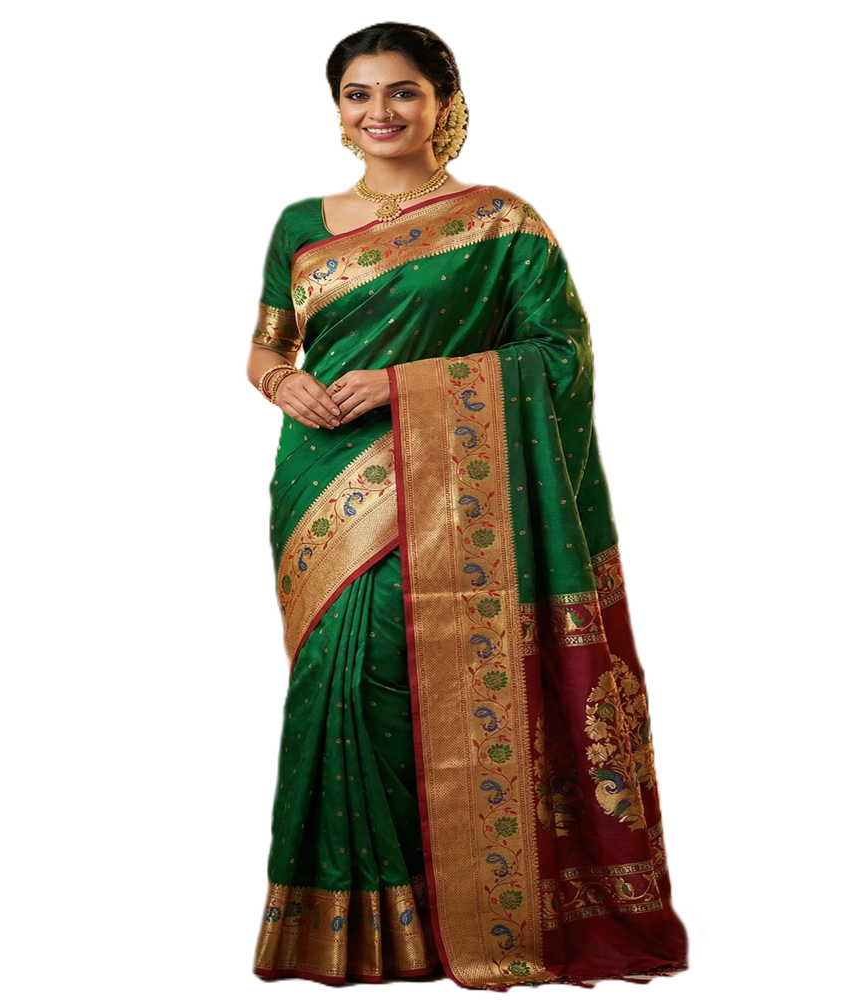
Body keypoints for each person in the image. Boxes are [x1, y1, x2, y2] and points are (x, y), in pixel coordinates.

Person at [247, 22, 688, 990]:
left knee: (402, 676)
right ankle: (354, 923)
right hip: (319, 483)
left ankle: (460, 913)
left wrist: (403, 387)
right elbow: (267, 345)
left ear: (443, 103)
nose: (380, 112)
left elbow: (560, 358)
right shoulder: (299, 224)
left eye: (402, 91)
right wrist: (282, 382)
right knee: (332, 685)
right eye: (358, 94)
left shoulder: (500, 222)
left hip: (444, 483)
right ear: (337, 111)